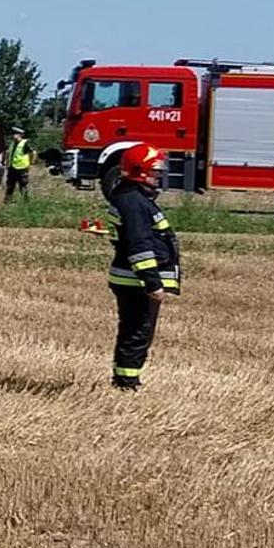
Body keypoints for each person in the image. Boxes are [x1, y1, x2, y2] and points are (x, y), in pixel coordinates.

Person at [104, 144, 181, 390]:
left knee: (134, 331)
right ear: (140, 171)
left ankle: (125, 379)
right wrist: (152, 282)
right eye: (155, 171)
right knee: (137, 333)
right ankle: (127, 383)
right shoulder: (134, 201)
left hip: (130, 277)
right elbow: (140, 245)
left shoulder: (131, 197)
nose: (158, 177)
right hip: (135, 281)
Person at [4, 126, 34, 203]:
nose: (13, 135)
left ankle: (25, 201)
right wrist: (7, 163)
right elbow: (9, 154)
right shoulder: (12, 143)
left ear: (20, 135)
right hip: (12, 168)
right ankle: (7, 201)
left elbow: (33, 153)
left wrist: (31, 163)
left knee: (23, 185)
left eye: (15, 134)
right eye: (13, 134)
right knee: (10, 185)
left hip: (22, 168)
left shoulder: (25, 143)